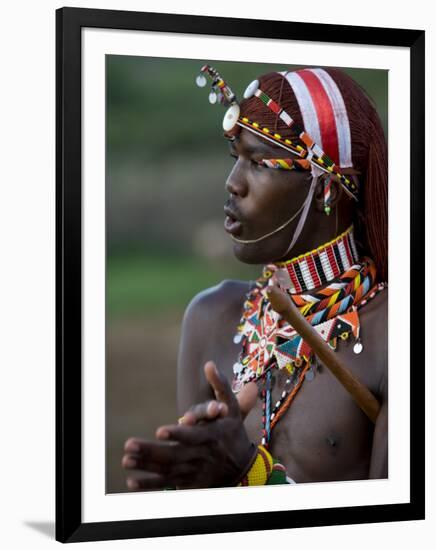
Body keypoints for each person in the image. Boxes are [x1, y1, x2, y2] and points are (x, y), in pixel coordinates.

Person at [121, 65, 388, 490]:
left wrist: (251, 475)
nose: (232, 184)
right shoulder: (211, 316)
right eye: (236, 159)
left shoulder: (397, 334)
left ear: (326, 189)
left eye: (259, 163)